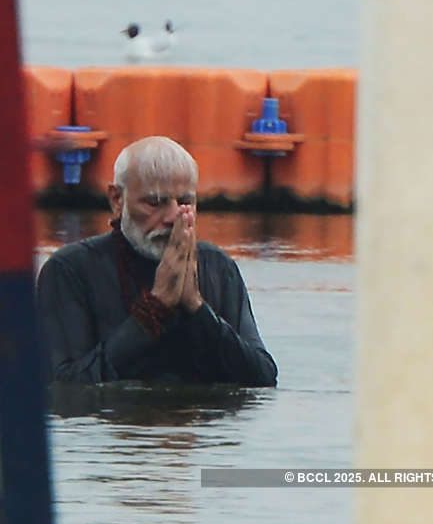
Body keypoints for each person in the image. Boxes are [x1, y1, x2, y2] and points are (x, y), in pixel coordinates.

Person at [36, 136, 277, 387]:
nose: (173, 217)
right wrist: (154, 310)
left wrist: (196, 306)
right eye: (155, 203)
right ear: (117, 200)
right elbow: (64, 385)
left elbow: (263, 379)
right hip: (118, 422)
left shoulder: (217, 267)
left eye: (185, 202)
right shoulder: (70, 270)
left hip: (196, 422)